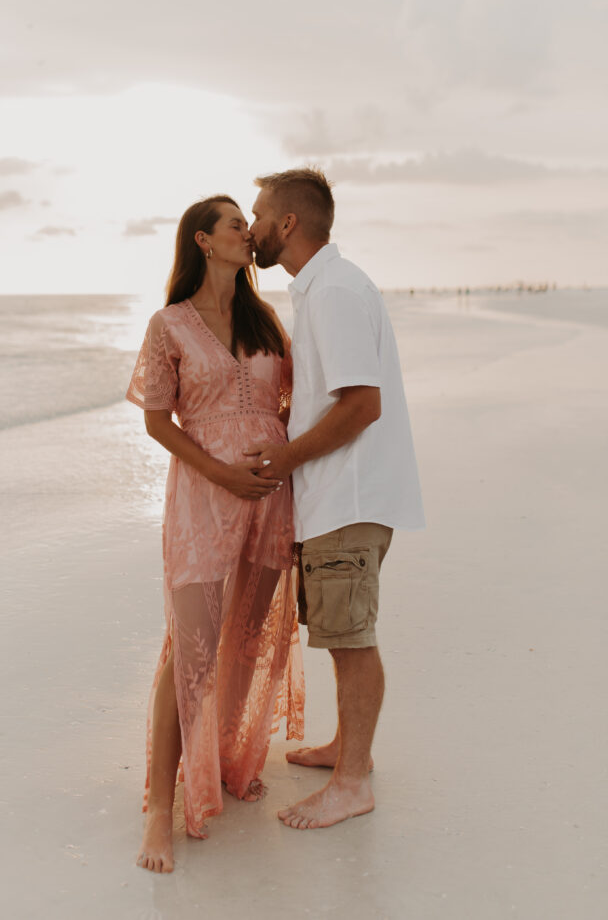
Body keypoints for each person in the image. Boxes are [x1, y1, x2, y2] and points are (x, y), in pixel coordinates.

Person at [126, 195, 305, 873]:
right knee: (191, 651)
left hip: (270, 499)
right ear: (203, 240)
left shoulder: (265, 321)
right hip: (204, 498)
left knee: (247, 641)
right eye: (236, 223)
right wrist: (222, 474)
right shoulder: (168, 324)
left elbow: (292, 402)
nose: (248, 232)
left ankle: (227, 764)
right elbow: (157, 420)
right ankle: (158, 813)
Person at [247, 167, 424, 830]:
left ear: (287, 223)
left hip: (349, 496)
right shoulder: (322, 288)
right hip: (338, 495)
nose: (254, 225)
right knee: (341, 633)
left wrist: (284, 460)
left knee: (352, 640)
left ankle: (353, 783)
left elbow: (361, 406)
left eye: (260, 213)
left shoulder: (334, 292)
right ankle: (349, 750)